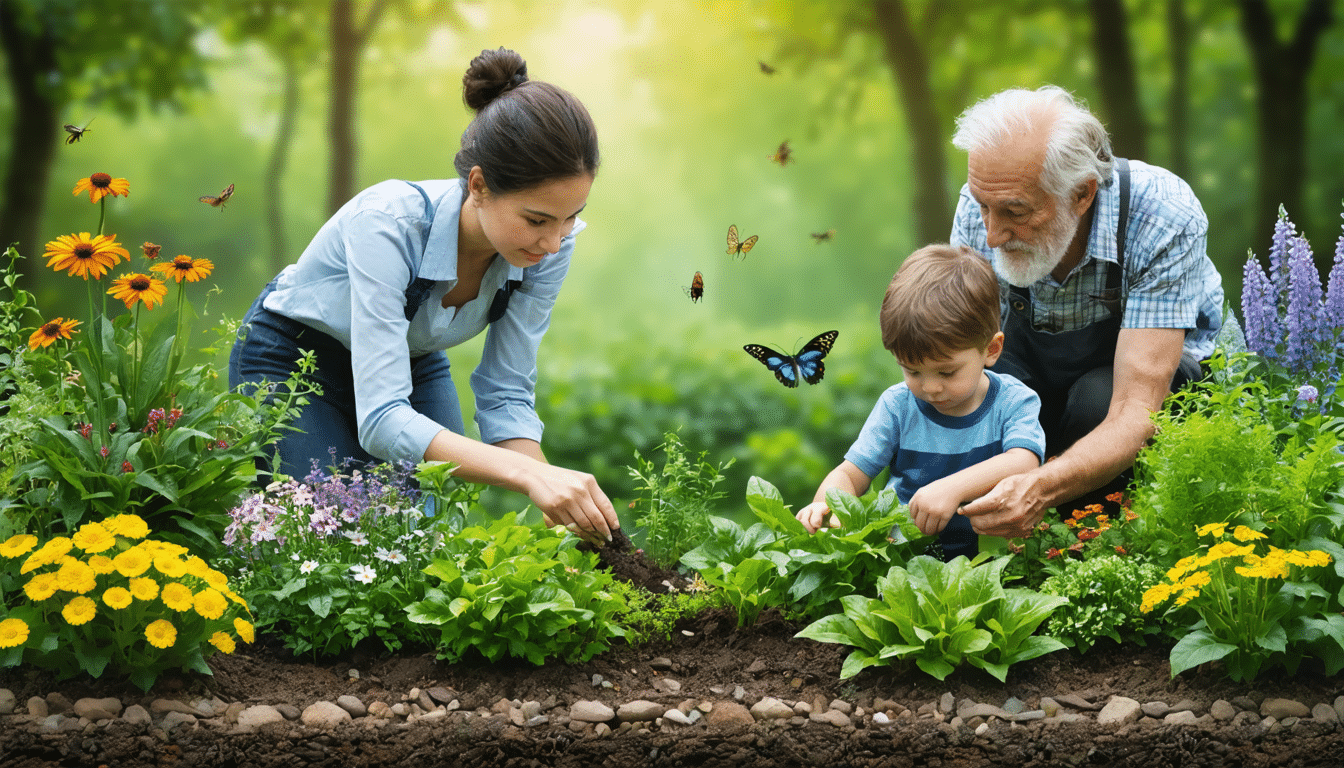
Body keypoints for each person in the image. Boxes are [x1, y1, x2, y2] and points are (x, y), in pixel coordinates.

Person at [229, 47, 618, 542]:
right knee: (328, 536)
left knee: (428, 540)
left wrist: (559, 492)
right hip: (293, 359)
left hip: (409, 360)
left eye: (569, 218)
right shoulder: (388, 224)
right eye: (537, 219)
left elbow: (505, 393)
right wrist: (528, 475)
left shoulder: (550, 246)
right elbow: (382, 420)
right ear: (479, 185)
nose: (554, 242)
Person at [947, 85, 1224, 539]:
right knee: (973, 396)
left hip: (1143, 380)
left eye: (1015, 212)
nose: (992, 234)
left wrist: (1039, 489)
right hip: (1033, 364)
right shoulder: (988, 201)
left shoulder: (1161, 215)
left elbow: (1136, 409)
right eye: (983, 207)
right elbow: (953, 358)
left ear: (1081, 194)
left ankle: (1096, 548)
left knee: (1095, 402)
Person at [795, 244, 1046, 561]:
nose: (930, 388)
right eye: (912, 371)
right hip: (904, 561)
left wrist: (952, 488)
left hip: (990, 562)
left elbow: (1024, 461)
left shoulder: (1012, 401)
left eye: (947, 372)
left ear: (991, 350)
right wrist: (826, 504)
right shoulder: (898, 405)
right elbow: (850, 474)